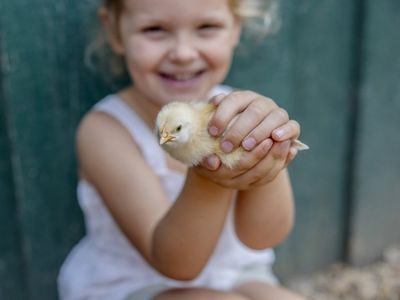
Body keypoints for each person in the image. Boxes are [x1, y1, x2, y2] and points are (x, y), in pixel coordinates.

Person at [58, 0, 307, 299]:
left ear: (235, 28)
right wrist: (208, 176)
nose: (183, 53)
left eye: (206, 27)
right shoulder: (106, 132)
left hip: (235, 274)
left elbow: (263, 237)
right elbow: (176, 264)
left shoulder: (238, 112)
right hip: (140, 285)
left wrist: (269, 154)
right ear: (114, 31)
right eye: (155, 30)